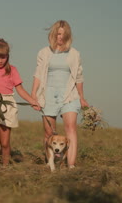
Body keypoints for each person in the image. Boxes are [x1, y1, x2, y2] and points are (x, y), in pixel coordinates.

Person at [31, 20, 89, 169]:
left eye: (63, 34)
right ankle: (51, 164)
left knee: (71, 129)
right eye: (58, 34)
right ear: (53, 34)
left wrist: (82, 97)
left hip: (69, 95)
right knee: (49, 132)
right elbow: (38, 74)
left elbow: (79, 77)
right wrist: (33, 95)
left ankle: (71, 165)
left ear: (68, 36)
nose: (60, 37)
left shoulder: (74, 54)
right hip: (48, 95)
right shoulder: (44, 52)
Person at [0, 38, 40, 167]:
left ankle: (5, 166)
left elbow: (20, 90)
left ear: (7, 56)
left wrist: (32, 101)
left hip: (7, 104)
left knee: (5, 142)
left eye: (3, 57)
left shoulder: (12, 70)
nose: (0, 60)